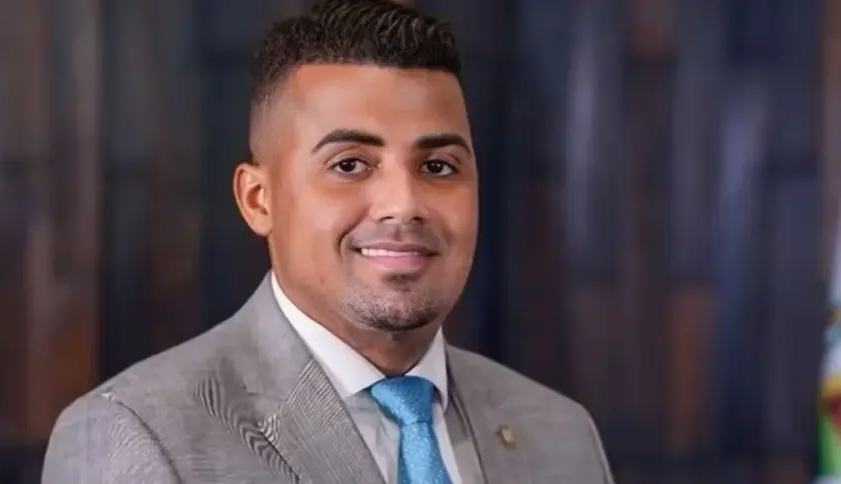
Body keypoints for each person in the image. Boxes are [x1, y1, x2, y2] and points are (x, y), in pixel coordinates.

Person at [41, 1, 613, 482]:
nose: (403, 204)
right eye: (350, 164)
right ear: (258, 199)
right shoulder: (137, 436)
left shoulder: (561, 435)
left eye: (438, 166)